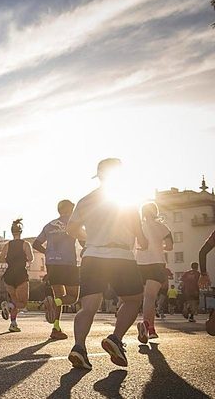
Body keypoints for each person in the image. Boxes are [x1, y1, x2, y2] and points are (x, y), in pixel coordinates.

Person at [66, 158, 148, 370]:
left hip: (93, 255)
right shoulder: (127, 200)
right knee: (133, 300)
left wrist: (90, 239)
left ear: (100, 176)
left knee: (88, 307)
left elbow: (71, 229)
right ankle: (116, 338)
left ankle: (79, 347)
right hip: (121, 256)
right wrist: (144, 241)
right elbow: (141, 236)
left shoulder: (85, 200)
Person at [33, 199, 83, 341]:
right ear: (69, 210)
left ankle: (56, 328)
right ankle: (54, 304)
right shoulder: (73, 223)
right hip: (68, 264)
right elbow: (84, 240)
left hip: (52, 264)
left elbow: (36, 244)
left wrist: (48, 252)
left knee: (59, 296)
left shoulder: (49, 225)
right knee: (73, 297)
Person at [134, 202, 173, 343]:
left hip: (139, 264)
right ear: (155, 212)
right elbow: (169, 247)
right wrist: (158, 244)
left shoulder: (138, 227)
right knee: (150, 297)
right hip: (156, 263)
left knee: (144, 297)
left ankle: (148, 327)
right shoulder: (163, 227)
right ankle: (148, 327)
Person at [0, 219, 34, 332]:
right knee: (22, 303)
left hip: (8, 275)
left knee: (14, 300)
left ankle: (13, 324)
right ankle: (8, 306)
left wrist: (11, 259)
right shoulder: (25, 244)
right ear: (21, 231)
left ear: (12, 232)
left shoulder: (7, 245)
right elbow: (31, 258)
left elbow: (0, 259)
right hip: (20, 274)